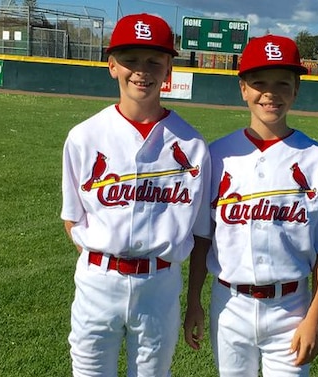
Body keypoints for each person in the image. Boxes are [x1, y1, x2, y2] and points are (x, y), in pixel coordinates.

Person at [184, 34, 318, 377]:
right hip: (229, 304)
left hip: (291, 308)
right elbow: (204, 238)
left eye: (283, 83)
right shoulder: (218, 155)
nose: (270, 93)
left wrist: (315, 317)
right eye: (259, 82)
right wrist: (193, 301)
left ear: (296, 90)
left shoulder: (316, 159)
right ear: (243, 88)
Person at [61, 13, 211, 377]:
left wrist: (193, 301)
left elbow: (201, 233)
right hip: (97, 282)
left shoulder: (192, 145)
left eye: (153, 61)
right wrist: (107, 260)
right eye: (130, 59)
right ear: (112, 65)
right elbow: (72, 218)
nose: (141, 70)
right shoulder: (84, 136)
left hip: (160, 285)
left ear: (168, 68)